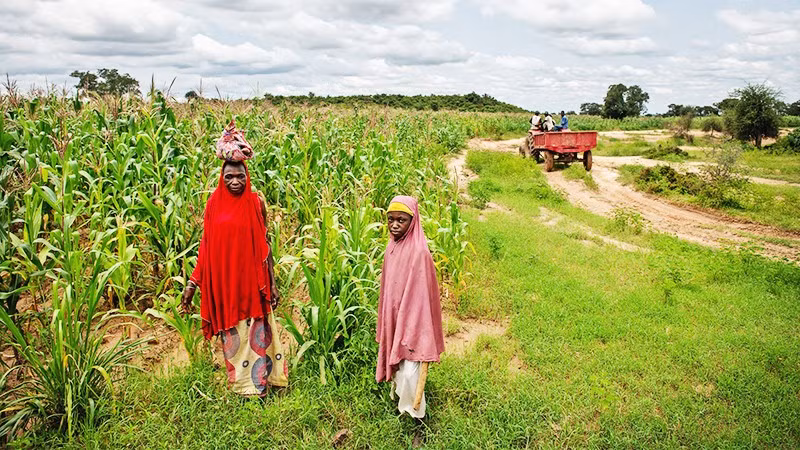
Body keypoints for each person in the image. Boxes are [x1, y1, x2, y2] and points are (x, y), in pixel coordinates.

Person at [182, 120, 287, 396]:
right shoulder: (213, 204)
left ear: (247, 175)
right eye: (229, 176)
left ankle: (261, 387)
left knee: (257, 336)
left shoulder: (256, 203)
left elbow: (265, 245)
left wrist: (272, 283)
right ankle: (243, 387)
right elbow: (206, 246)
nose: (235, 181)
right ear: (222, 177)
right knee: (234, 338)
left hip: (253, 286)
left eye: (240, 175)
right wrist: (193, 283)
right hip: (227, 287)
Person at [376, 196, 444, 419]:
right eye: (390, 219)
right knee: (400, 367)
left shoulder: (419, 253)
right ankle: (402, 404)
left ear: (413, 222)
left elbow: (422, 298)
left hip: (415, 322)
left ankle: (417, 418)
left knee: (410, 372)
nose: (394, 225)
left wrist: (409, 321)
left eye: (401, 220)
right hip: (395, 316)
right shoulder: (391, 248)